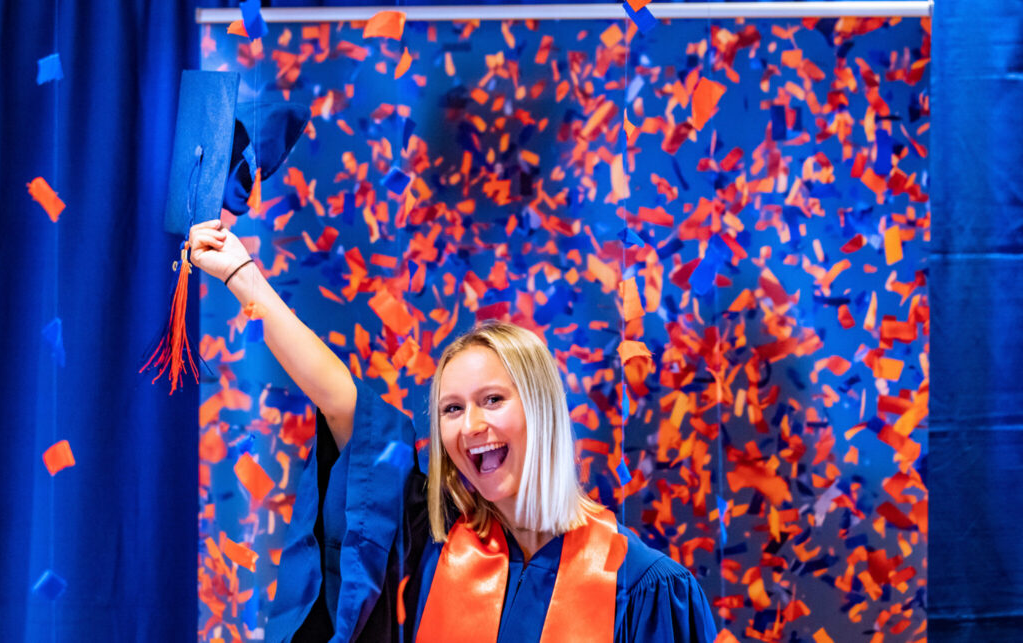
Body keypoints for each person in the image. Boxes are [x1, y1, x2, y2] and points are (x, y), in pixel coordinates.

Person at [189, 219, 718, 642]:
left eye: (492, 400)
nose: (472, 426)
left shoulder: (642, 587)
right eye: (451, 409)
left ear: (542, 410)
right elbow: (339, 401)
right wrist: (244, 277)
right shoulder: (432, 542)